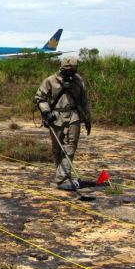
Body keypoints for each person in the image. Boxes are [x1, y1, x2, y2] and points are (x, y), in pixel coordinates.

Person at [35, 56, 92, 191]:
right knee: (57, 149)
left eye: (72, 70)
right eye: (67, 70)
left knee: (71, 146)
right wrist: (46, 112)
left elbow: (84, 101)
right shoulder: (50, 81)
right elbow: (39, 98)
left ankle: (60, 177)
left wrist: (88, 119)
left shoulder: (78, 81)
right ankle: (63, 176)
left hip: (73, 116)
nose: (69, 73)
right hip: (56, 116)